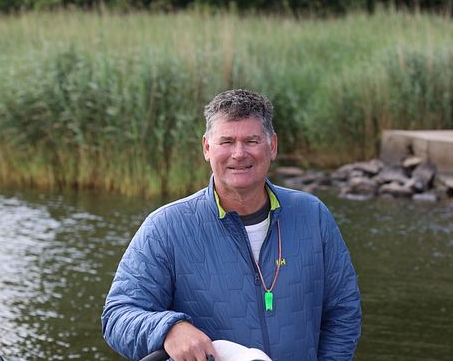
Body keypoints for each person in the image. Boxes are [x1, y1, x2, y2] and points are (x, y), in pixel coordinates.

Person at [102, 89, 362, 361]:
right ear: (207, 148)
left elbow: (344, 311)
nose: (239, 153)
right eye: (226, 141)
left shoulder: (314, 215)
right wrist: (168, 329)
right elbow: (118, 316)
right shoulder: (165, 227)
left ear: (272, 146)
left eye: (251, 140)